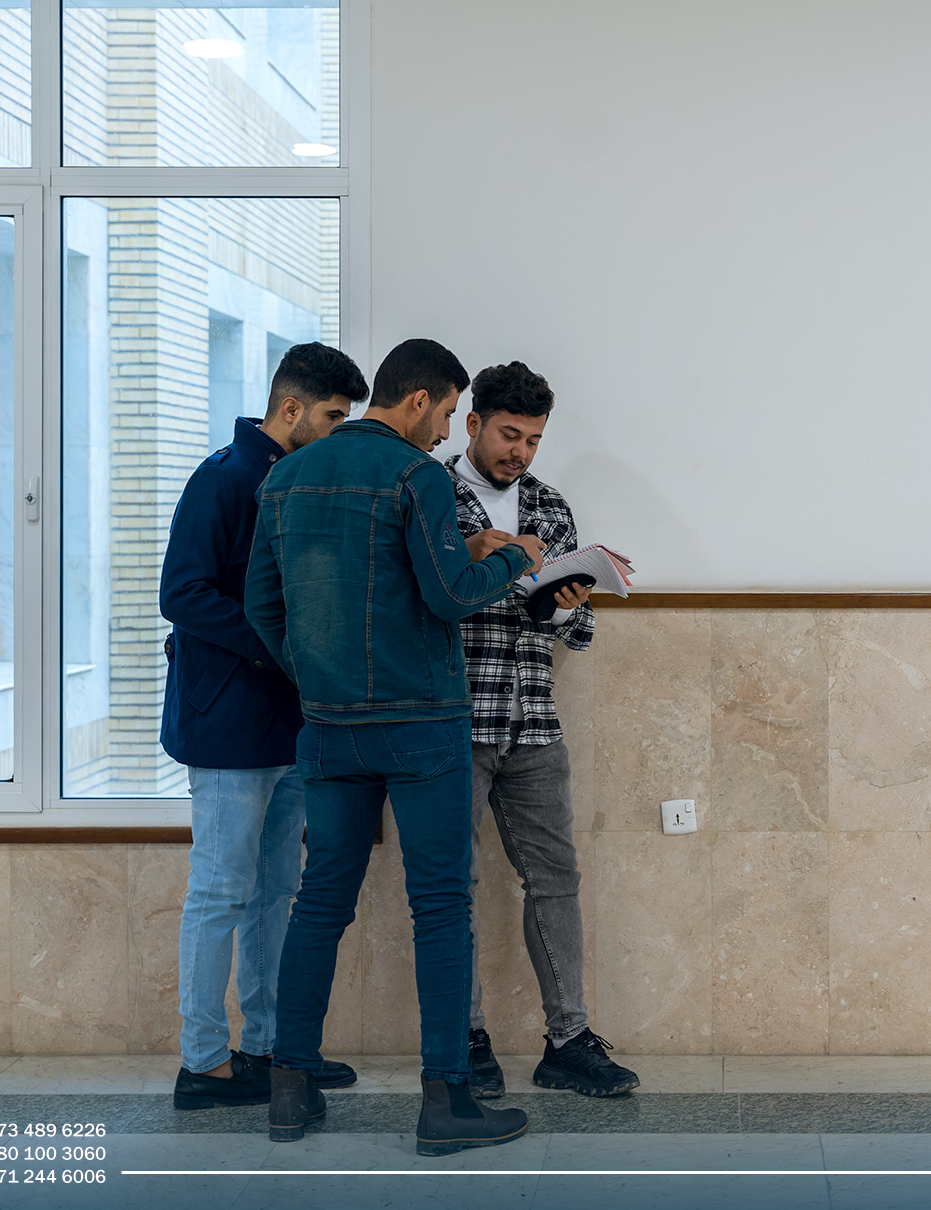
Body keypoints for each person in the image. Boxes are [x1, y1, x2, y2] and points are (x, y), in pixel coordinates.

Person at [245, 338, 546, 1155]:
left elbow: (262, 605)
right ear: (418, 401)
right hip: (422, 726)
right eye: (447, 414)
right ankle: (446, 1103)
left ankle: (289, 1090)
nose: (446, 431)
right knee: (441, 906)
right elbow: (446, 597)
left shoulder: (286, 477)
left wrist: (316, 676)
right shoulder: (418, 476)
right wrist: (513, 557)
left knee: (320, 901)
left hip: (329, 726)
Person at [161, 343, 369, 1110]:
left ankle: (274, 1048)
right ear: (291, 410)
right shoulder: (223, 478)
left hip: (287, 725)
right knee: (221, 892)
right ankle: (203, 1065)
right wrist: (278, 641)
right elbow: (182, 593)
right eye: (333, 417)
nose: (338, 431)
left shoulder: (297, 481)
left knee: (274, 891)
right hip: (227, 726)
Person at [446, 362, 640, 1099]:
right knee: (451, 888)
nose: (520, 452)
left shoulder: (549, 505)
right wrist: (503, 577)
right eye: (508, 435)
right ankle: (464, 1040)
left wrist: (561, 604)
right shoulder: (432, 495)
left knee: (555, 881)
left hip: (534, 723)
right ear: (473, 424)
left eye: (532, 440)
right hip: (455, 725)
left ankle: (567, 1040)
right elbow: (426, 601)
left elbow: (578, 630)